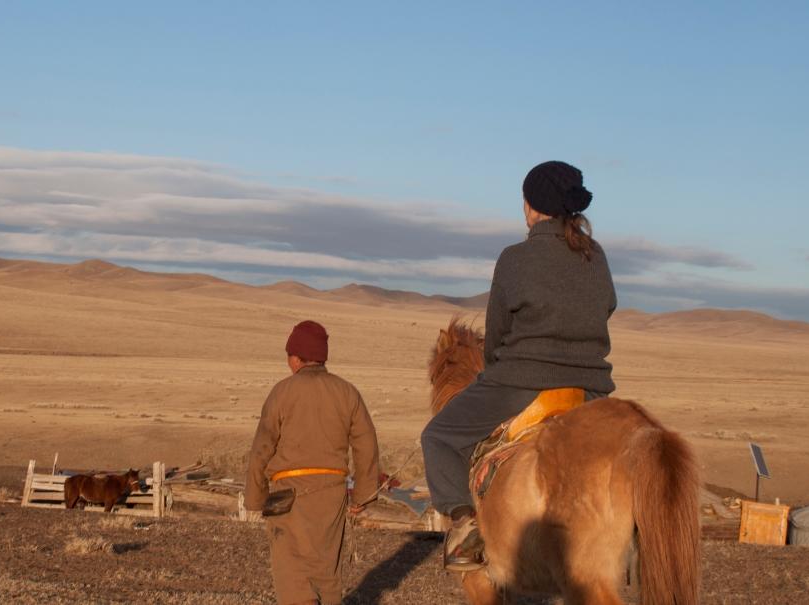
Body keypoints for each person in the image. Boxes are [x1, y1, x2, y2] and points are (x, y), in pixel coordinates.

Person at [420, 161, 617, 571]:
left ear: (530, 206)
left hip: (520, 383)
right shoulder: (595, 257)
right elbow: (607, 307)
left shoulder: (515, 258)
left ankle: (465, 528)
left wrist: (495, 370)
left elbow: (496, 333)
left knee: (438, 437)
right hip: (591, 390)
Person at [245, 320, 381, 605]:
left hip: (288, 499)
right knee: (326, 575)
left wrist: (255, 498)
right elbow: (366, 445)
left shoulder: (282, 392)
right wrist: (363, 496)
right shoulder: (347, 392)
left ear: (295, 358)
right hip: (331, 497)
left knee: (293, 576)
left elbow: (261, 448)